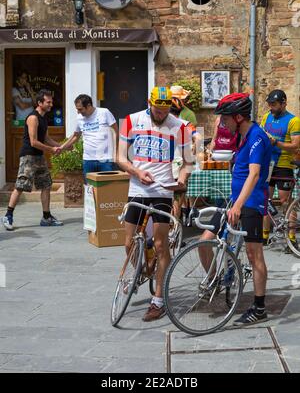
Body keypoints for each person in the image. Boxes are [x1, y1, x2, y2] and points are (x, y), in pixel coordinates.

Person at [118, 86, 193, 322]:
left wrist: (180, 181)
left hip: (163, 190)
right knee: (129, 243)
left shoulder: (180, 127)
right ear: (149, 103)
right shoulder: (131, 120)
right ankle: (144, 265)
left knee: (162, 246)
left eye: (165, 110)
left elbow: (189, 162)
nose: (161, 114)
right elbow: (119, 157)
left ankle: (158, 300)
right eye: (157, 110)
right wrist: (136, 171)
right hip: (138, 188)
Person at [199, 93, 272, 326]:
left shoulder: (257, 137)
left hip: (250, 203)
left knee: (254, 254)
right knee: (206, 238)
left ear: (239, 117)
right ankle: (215, 279)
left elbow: (255, 174)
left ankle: (259, 308)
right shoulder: (241, 136)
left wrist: (239, 205)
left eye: (226, 118)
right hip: (235, 200)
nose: (222, 123)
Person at [1, 90, 63, 231]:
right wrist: (51, 150)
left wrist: (60, 146)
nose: (51, 104)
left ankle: (46, 217)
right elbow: (34, 142)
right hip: (28, 156)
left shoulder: (44, 118)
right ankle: (8, 215)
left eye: (51, 102)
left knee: (46, 184)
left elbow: (46, 138)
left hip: (39, 156)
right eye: (48, 102)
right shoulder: (33, 118)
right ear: (40, 103)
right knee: (21, 185)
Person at [261, 89, 300, 252]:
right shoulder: (266, 116)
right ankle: (264, 235)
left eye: (274, 104)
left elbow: (295, 146)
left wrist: (276, 143)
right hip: (268, 164)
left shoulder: (293, 120)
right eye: (270, 104)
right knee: (265, 200)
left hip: (284, 165)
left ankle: (291, 237)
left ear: (283, 103)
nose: (271, 107)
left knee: (286, 202)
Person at [59, 94, 118, 181]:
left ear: (89, 106)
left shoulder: (104, 112)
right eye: (77, 109)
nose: (78, 112)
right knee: (89, 190)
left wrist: (116, 153)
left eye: (80, 109)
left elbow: (115, 132)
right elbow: (76, 136)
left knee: (107, 189)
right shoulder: (79, 118)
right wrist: (62, 147)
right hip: (88, 160)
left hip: (105, 159)